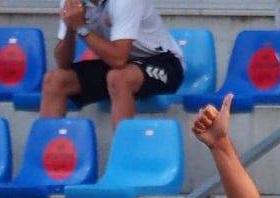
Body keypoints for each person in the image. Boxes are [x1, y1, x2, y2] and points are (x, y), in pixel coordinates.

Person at [38, 0, 185, 133]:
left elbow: (119, 59)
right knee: (55, 79)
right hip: (119, 63)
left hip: (162, 62)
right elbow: (63, 63)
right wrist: (71, 29)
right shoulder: (71, 3)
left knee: (118, 78)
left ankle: (124, 157)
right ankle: (46, 155)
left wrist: (81, 28)